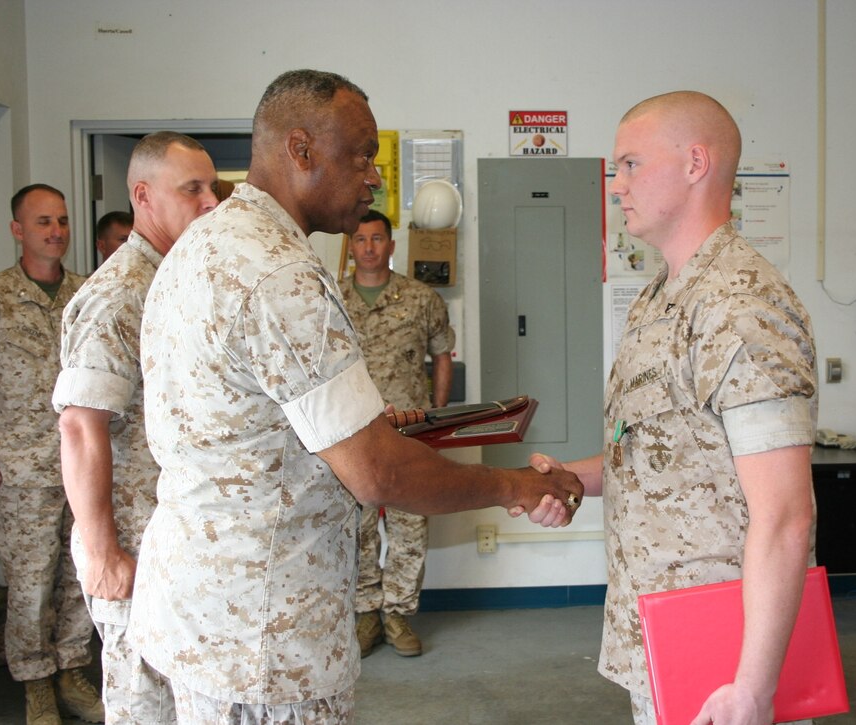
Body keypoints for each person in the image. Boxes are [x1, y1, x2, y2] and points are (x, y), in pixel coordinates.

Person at [128, 69, 582, 723]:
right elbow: (376, 473)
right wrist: (515, 487)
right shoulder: (281, 273)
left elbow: (250, 420)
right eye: (361, 155)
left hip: (195, 610)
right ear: (301, 150)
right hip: (265, 635)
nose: (374, 175)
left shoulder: (201, 244)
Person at [530, 92, 818, 725]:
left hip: (728, 653)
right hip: (660, 636)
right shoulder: (661, 297)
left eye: (631, 164)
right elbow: (656, 458)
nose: (616, 185)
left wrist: (754, 689)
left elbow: (787, 515)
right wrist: (569, 479)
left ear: (695, 163)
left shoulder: (740, 307)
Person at [54, 132, 219, 723]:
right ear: (143, 196)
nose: (211, 202)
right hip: (133, 546)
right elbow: (79, 425)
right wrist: (102, 553)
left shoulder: (175, 279)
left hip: (177, 540)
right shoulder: (120, 293)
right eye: (192, 188)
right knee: (144, 706)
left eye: (213, 187)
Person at [0, 184, 101, 725]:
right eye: (43, 222)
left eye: (62, 221)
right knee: (30, 579)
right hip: (22, 466)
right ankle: (34, 681)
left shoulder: (87, 293)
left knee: (81, 571)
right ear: (17, 230)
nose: (56, 231)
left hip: (86, 462)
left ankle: (72, 668)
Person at [341, 209, 453, 658]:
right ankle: (366, 613)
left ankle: (398, 614)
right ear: (351, 246)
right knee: (358, 526)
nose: (369, 247)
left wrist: (439, 416)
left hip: (410, 432)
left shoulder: (421, 298)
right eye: (360, 238)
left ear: (391, 246)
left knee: (410, 523)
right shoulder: (332, 299)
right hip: (352, 433)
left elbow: (442, 354)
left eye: (377, 239)